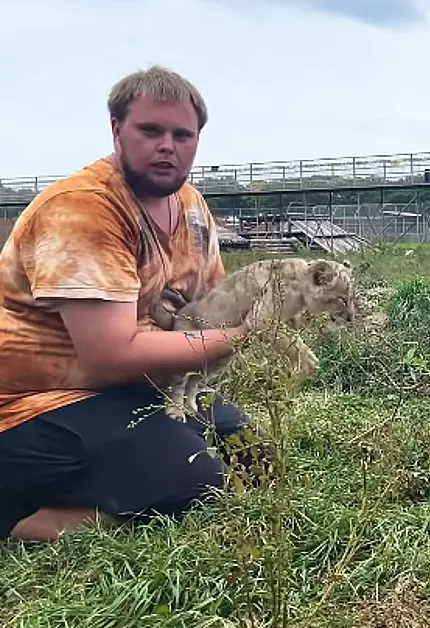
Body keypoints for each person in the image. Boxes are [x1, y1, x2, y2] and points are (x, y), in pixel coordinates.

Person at [0, 66, 271, 542]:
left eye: (182, 135)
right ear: (116, 130)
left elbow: (208, 312)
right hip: (28, 406)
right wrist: (245, 335)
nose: (167, 145)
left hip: (131, 389)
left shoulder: (190, 207)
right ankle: (29, 522)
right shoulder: (84, 209)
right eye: (151, 130)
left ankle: (115, 485)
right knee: (195, 484)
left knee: (253, 457)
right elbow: (111, 358)